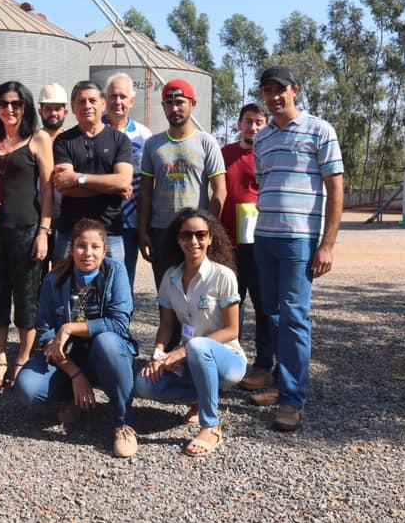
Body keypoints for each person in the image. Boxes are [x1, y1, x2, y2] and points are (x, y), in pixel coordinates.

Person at [252, 65, 344, 431]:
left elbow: (335, 188)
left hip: (299, 240)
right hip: (265, 237)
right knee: (272, 313)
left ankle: (292, 400)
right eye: (268, 90)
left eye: (280, 89)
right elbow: (264, 185)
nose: (274, 96)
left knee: (294, 316)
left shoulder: (320, 131)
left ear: (295, 90)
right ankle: (280, 382)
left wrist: (327, 244)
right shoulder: (262, 138)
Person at [15, 218, 139, 458]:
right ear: (71, 248)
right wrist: (75, 373)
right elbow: (45, 333)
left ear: (105, 250)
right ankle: (72, 396)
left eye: (95, 247)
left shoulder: (116, 272)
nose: (88, 253)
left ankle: (123, 423)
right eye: (81, 246)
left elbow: (119, 324)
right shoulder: (54, 279)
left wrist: (70, 328)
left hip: (106, 356)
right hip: (68, 358)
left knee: (107, 341)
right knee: (27, 387)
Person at [134, 208, 244, 457]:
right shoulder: (170, 277)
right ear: (178, 239)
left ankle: (211, 426)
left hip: (227, 360)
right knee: (144, 384)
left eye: (200, 235)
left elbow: (232, 330)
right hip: (189, 358)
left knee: (196, 345)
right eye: (186, 235)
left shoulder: (223, 276)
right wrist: (158, 355)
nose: (193, 241)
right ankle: (199, 398)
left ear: (210, 238)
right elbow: (166, 325)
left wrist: (183, 351)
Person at [0, 81, 54, 392]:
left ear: (26, 107)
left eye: (16, 104)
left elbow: (48, 190)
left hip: (27, 230)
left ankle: (22, 358)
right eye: (3, 103)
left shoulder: (38, 139)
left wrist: (44, 232)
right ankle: (0, 359)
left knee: (26, 298)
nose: (9, 109)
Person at [138, 79, 226, 293]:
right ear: (163, 106)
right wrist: (142, 231)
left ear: (192, 104)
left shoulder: (206, 142)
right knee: (167, 295)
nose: (175, 108)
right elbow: (145, 192)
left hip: (195, 232)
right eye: (169, 102)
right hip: (162, 231)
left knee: (198, 296)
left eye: (180, 102)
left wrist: (208, 229)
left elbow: (220, 191)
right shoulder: (153, 144)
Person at [219, 103, 273, 392]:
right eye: (249, 121)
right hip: (228, 245)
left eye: (259, 122)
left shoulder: (270, 152)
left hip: (260, 243)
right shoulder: (224, 154)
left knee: (264, 305)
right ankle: (231, 361)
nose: (253, 127)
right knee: (231, 304)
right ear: (239, 124)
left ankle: (263, 365)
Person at [52, 81, 133, 265]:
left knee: (113, 281)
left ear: (103, 104)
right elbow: (65, 187)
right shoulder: (63, 141)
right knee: (63, 280)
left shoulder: (120, 140)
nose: (87, 106)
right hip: (71, 232)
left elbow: (123, 181)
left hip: (110, 232)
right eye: (81, 101)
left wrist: (78, 178)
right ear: (73, 107)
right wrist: (111, 187)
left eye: (92, 100)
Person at [104, 72, 152, 292]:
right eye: (113, 96)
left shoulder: (143, 135)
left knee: (123, 282)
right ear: (105, 99)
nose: (118, 101)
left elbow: (147, 184)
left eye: (123, 96)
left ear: (132, 101)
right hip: (98, 220)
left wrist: (143, 226)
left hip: (129, 223)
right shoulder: (95, 130)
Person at [37, 82, 69, 276]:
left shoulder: (72, 142)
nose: (53, 113)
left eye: (58, 108)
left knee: (61, 273)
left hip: (65, 219)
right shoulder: (31, 141)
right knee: (36, 273)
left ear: (66, 112)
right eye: (48, 108)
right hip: (36, 218)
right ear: (40, 111)